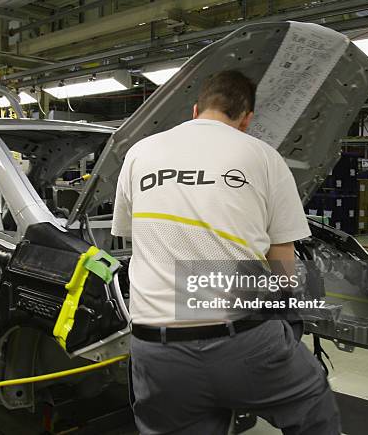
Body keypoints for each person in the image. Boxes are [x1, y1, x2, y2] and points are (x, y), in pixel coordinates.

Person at [111, 70, 340, 434]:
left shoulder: (139, 153)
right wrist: (290, 309)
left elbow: (130, 236)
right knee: (311, 400)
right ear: (247, 119)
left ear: (196, 109)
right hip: (242, 343)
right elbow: (282, 263)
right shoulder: (262, 156)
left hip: (155, 350)